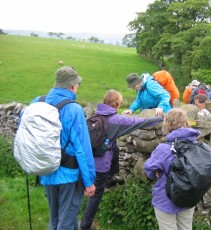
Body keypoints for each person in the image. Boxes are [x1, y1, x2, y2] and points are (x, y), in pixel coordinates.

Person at [80, 90, 163, 230]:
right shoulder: (116, 120)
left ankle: (77, 217)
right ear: (117, 103)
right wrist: (162, 118)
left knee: (87, 189)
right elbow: (140, 122)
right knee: (96, 195)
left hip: (88, 162)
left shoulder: (96, 116)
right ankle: (85, 226)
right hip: (101, 166)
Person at [31, 66, 96, 229]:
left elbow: (26, 134)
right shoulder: (74, 109)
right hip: (68, 175)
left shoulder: (37, 102)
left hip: (45, 169)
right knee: (66, 221)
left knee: (54, 218)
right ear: (73, 86)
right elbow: (83, 148)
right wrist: (89, 182)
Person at [144, 108, 200, 230]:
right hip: (189, 197)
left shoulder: (163, 149)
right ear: (186, 123)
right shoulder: (197, 146)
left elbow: (149, 169)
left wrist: (156, 173)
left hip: (166, 198)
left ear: (167, 125)